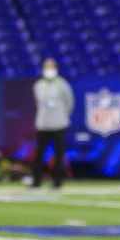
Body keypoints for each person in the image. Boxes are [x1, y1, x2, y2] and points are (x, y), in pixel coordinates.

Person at [31, 58, 73, 189]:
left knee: (59, 154)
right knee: (39, 153)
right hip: (43, 124)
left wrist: (62, 116)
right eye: (46, 67)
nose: (49, 70)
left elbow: (69, 103)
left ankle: (57, 181)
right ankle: (37, 180)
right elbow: (37, 103)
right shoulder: (38, 85)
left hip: (58, 124)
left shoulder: (62, 84)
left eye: (51, 67)